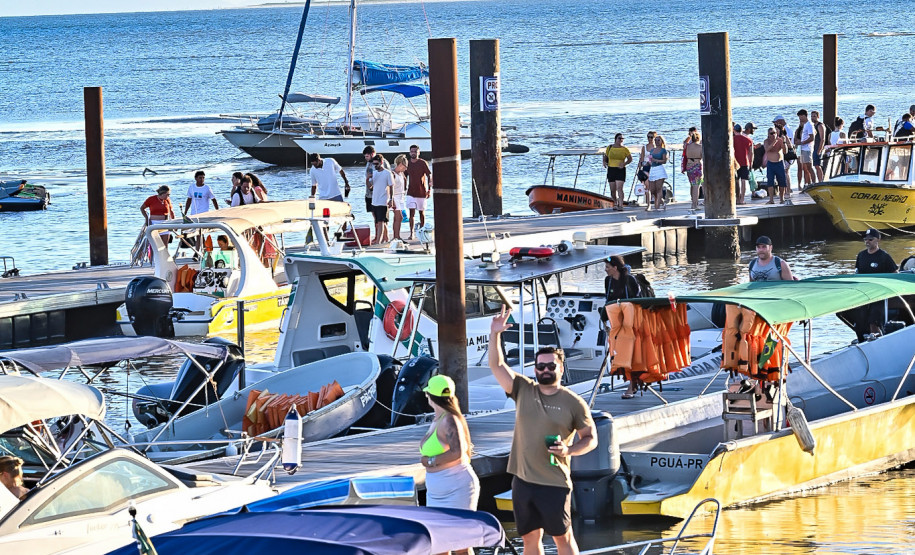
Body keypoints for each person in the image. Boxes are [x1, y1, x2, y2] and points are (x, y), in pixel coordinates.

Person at [488, 306, 596, 555]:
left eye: (550, 366)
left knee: (563, 539)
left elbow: (590, 438)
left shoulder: (573, 402)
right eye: (540, 366)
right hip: (523, 481)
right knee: (529, 541)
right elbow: (496, 365)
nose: (545, 370)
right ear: (535, 368)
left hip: (554, 482)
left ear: (560, 367)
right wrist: (494, 334)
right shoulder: (523, 389)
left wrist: (569, 449)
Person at [420, 375, 480, 521]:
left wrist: (430, 461)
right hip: (437, 491)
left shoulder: (450, 419)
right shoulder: (440, 418)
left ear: (430, 396)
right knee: (439, 539)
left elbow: (458, 452)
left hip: (456, 488)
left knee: (462, 541)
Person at [604, 255, 642, 399]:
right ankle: (631, 383)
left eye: (608, 267)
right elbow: (608, 300)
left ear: (615, 267)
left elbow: (638, 301)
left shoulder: (630, 280)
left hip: (632, 324)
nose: (606, 270)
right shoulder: (607, 281)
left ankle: (632, 386)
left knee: (632, 355)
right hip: (617, 325)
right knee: (620, 355)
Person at [855, 228, 898, 335]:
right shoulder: (861, 256)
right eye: (866, 239)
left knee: (873, 321)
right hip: (864, 294)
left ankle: (878, 337)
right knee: (859, 320)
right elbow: (857, 274)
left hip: (879, 294)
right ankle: (863, 339)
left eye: (870, 239)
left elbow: (895, 274)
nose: (867, 242)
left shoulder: (884, 256)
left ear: (878, 240)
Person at [406, 144, 432, 239]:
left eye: (415, 151)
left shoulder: (422, 163)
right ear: (409, 152)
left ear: (419, 152)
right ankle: (411, 233)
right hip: (410, 192)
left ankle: (422, 230)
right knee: (411, 213)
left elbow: (429, 175)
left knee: (421, 213)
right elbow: (404, 176)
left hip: (421, 192)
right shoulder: (407, 163)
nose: (413, 153)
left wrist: (429, 190)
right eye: (412, 151)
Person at [602, 133, 631, 211]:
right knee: (612, 189)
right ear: (615, 139)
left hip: (620, 170)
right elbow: (605, 157)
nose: (621, 140)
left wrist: (624, 163)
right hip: (611, 169)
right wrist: (604, 162)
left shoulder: (624, 149)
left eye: (622, 139)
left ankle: (621, 205)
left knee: (619, 188)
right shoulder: (610, 147)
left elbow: (630, 159)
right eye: (619, 138)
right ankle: (615, 202)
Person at [370, 154, 394, 245]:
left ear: (381, 163)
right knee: (378, 221)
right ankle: (386, 238)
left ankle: (378, 241)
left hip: (383, 200)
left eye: (376, 164)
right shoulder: (374, 173)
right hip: (374, 200)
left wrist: (391, 199)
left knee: (381, 221)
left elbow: (391, 186)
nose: (375, 166)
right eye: (374, 164)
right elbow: (370, 187)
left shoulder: (387, 173)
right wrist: (368, 178)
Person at [764, 126, 788, 204]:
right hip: (771, 163)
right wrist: (774, 142)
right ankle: (771, 199)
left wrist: (784, 142)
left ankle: (782, 198)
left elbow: (785, 152)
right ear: (768, 134)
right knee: (770, 182)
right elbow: (767, 149)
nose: (773, 135)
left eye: (774, 133)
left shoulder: (780, 141)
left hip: (779, 163)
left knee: (782, 181)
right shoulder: (766, 141)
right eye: (771, 133)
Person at [363, 146, 389, 214]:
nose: (366, 158)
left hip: (380, 195)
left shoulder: (383, 162)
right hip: (370, 194)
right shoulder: (368, 163)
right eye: (365, 156)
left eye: (367, 156)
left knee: (382, 217)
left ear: (372, 154)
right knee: (374, 215)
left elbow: (389, 176)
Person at [794, 110, 816, 188]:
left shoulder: (809, 125)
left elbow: (812, 137)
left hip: (807, 149)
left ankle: (813, 183)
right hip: (802, 149)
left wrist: (802, 142)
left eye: (800, 116)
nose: (800, 118)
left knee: (809, 167)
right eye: (799, 116)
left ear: (804, 116)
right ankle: (806, 184)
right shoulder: (804, 126)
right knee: (803, 167)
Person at [772, 116, 794, 195]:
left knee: (785, 172)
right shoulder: (778, 137)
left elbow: (790, 145)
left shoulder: (785, 134)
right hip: (782, 156)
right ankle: (784, 190)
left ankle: (787, 189)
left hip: (787, 156)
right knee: (783, 172)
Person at [682, 129, 703, 210]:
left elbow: (685, 154)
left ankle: (693, 203)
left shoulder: (687, 146)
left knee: (692, 184)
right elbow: (702, 156)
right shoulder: (700, 147)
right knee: (696, 186)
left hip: (689, 166)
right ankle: (695, 204)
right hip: (697, 166)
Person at [647, 135, 668, 211]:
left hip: (659, 169)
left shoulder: (663, 150)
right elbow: (650, 160)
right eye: (655, 140)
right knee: (652, 190)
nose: (657, 142)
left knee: (659, 189)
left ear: (661, 141)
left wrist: (656, 160)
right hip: (653, 169)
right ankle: (662, 202)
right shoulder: (652, 150)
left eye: (658, 140)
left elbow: (664, 161)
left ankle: (657, 207)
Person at [733, 124, 752, 205]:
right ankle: (742, 199)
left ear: (734, 130)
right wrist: (751, 163)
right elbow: (751, 153)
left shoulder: (732, 140)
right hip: (745, 162)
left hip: (735, 163)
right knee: (744, 181)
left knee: (736, 181)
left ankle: (737, 199)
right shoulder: (748, 140)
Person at [637, 131, 656, 207]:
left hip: (654, 167)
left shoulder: (656, 147)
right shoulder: (644, 147)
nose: (650, 139)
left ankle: (658, 201)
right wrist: (639, 168)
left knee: (654, 187)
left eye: (651, 137)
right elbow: (641, 159)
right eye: (648, 137)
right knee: (647, 186)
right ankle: (648, 204)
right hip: (646, 167)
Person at [391, 154, 409, 239]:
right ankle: (396, 237)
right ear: (401, 165)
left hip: (401, 197)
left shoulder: (401, 174)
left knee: (399, 217)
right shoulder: (393, 174)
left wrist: (405, 190)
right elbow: (389, 187)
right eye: (405, 166)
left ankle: (396, 236)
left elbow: (404, 181)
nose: (406, 168)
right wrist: (392, 200)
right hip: (395, 197)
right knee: (399, 217)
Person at [811, 111, 828, 183]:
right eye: (811, 116)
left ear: (818, 117)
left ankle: (821, 181)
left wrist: (819, 150)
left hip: (818, 148)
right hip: (814, 147)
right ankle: (819, 180)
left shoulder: (820, 125)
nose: (812, 118)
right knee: (815, 166)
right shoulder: (813, 126)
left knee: (818, 165)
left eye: (814, 116)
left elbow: (822, 139)